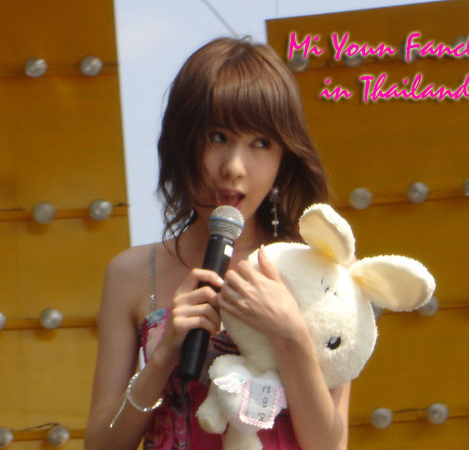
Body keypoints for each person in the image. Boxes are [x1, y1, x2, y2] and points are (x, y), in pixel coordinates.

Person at [85, 37, 350, 450]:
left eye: (260, 143)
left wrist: (293, 336)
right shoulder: (132, 274)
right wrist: (163, 356)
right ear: (181, 142)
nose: (233, 168)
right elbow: (101, 444)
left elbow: (331, 445)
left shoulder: (321, 272)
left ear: (283, 159)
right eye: (217, 137)